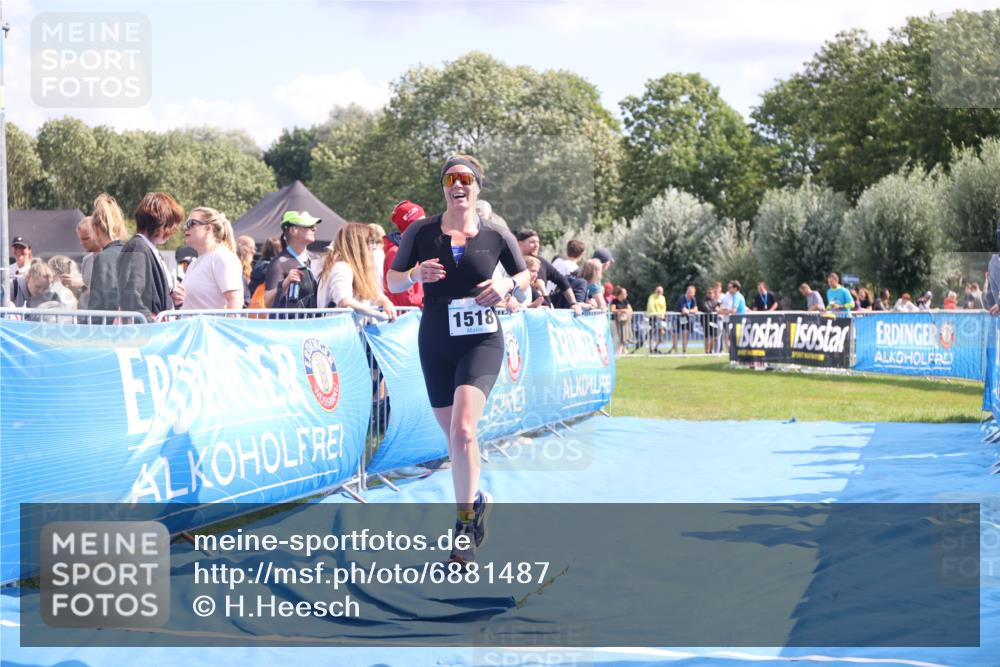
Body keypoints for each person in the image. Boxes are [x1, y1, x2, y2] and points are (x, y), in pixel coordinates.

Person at [386, 154, 528, 566]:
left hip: (481, 341)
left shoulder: (497, 235)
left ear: (477, 186)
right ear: (444, 187)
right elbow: (392, 280)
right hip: (435, 342)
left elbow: (523, 277)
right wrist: (414, 276)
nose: (458, 184)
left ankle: (464, 526)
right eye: (450, 178)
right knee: (453, 438)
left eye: (466, 178)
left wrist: (504, 284)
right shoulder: (420, 231)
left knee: (465, 431)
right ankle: (477, 500)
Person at [317, 222, 397, 322]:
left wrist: (386, 302)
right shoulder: (342, 267)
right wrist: (377, 315)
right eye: (371, 242)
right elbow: (345, 301)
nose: (374, 246)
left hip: (352, 331)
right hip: (339, 332)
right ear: (358, 244)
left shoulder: (360, 270)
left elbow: (375, 295)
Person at [174, 207, 244, 310]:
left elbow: (235, 300)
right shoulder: (195, 263)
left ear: (208, 228)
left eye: (191, 223)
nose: (185, 227)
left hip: (211, 326)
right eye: (186, 224)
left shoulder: (222, 256)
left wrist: (225, 326)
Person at [515, 228, 582, 314]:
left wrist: (574, 303)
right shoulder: (514, 263)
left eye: (538, 242)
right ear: (520, 244)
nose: (536, 245)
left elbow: (562, 281)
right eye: (532, 242)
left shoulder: (541, 262)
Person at [264, 211, 321, 309]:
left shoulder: (316, 259)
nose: (314, 229)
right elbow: (267, 303)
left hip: (314, 322)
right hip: (290, 323)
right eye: (309, 226)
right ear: (293, 230)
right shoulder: (279, 263)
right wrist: (285, 283)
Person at [86, 194, 131, 315]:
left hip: (110, 329)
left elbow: (99, 303)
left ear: (96, 228)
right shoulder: (134, 252)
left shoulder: (103, 258)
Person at [384, 201, 427, 308]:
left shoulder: (419, 249)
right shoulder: (395, 252)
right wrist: (433, 297)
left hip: (419, 315)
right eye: (420, 224)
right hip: (406, 319)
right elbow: (406, 300)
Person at [671, 285, 699, 354]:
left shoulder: (693, 299)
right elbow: (683, 310)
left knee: (685, 333)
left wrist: (689, 311)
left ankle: (684, 351)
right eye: (689, 292)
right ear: (687, 291)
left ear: (694, 293)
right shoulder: (682, 298)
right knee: (676, 334)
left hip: (684, 317)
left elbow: (696, 309)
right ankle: (676, 351)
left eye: (692, 292)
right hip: (677, 317)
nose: (690, 294)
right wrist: (690, 311)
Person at [610, 286, 633, 355]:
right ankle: (615, 353)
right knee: (616, 338)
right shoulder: (614, 301)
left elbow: (630, 310)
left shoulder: (625, 301)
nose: (626, 294)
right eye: (625, 293)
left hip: (623, 323)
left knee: (622, 337)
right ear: (620, 294)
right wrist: (623, 310)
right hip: (614, 322)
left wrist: (625, 311)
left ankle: (621, 352)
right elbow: (613, 310)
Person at [646, 286, 667, 353]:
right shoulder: (651, 297)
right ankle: (650, 349)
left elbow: (664, 307)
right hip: (653, 317)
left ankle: (656, 347)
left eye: (660, 292)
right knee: (651, 333)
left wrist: (662, 315)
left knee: (662, 332)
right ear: (655, 291)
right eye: (658, 291)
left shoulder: (663, 298)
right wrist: (656, 314)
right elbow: (651, 306)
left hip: (661, 318)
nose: (659, 293)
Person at [702, 285, 720, 353]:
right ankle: (706, 351)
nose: (710, 294)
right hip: (706, 320)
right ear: (707, 293)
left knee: (715, 337)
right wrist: (714, 310)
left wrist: (718, 309)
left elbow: (719, 307)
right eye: (709, 293)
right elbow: (706, 309)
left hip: (714, 320)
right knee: (706, 336)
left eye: (712, 293)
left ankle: (710, 349)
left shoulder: (715, 300)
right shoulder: (704, 300)